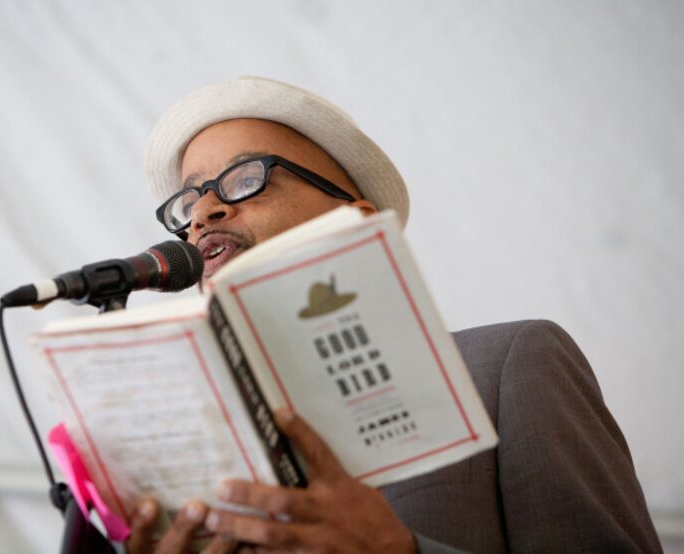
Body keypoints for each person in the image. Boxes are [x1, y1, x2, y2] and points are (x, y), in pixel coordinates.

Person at [125, 77, 662, 553]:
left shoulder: (508, 365)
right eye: (189, 199)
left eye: (244, 178)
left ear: (354, 220)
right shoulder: (174, 438)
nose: (202, 213)